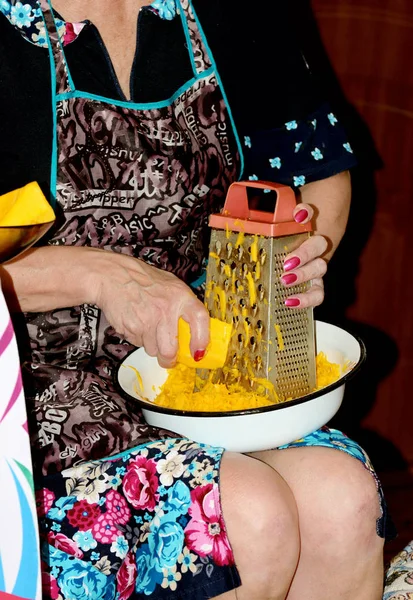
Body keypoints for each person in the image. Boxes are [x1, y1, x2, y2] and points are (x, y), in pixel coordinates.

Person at [0, 0, 395, 598]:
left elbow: (314, 168)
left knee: (341, 500)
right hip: (28, 386)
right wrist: (99, 276)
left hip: (202, 357)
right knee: (248, 518)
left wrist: (302, 250)